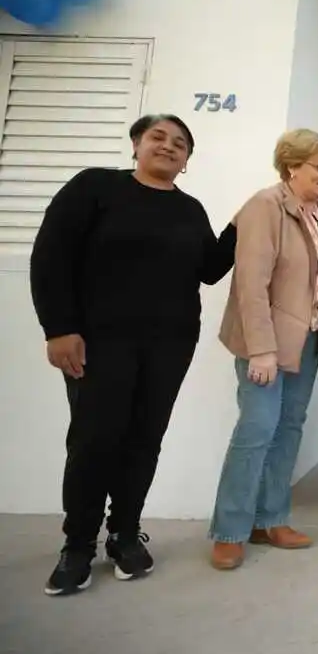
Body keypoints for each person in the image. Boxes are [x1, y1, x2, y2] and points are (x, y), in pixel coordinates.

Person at [29, 114, 236, 596]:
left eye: (180, 144)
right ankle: (78, 544)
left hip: (170, 344)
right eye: (158, 137)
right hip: (100, 342)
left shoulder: (189, 209)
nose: (169, 146)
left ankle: (124, 533)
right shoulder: (95, 188)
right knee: (94, 441)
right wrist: (59, 328)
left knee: (144, 439)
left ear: (186, 161)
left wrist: (240, 224)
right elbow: (51, 255)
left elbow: (209, 269)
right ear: (136, 144)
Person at [209, 129, 318, 570]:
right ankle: (230, 530)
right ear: (292, 165)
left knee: (288, 429)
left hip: (309, 339)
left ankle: (271, 519)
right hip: (266, 341)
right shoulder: (265, 206)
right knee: (257, 428)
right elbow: (250, 284)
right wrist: (261, 350)